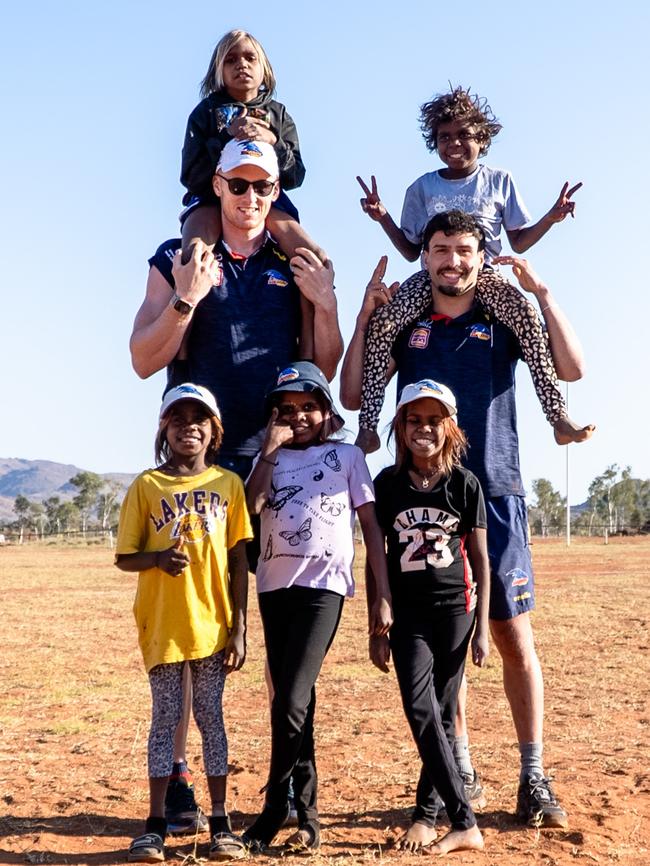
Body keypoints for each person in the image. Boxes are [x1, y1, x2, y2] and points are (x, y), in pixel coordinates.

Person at [341, 210, 584, 828]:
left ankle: (533, 775)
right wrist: (368, 316)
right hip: (423, 502)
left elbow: (570, 370)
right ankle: (462, 772)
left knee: (510, 637)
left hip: (495, 493)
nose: (453, 260)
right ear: (423, 256)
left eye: (465, 249)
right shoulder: (405, 320)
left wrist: (544, 296)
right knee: (447, 648)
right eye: (440, 249)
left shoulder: (506, 314)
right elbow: (354, 394)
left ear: (482, 254)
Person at [130, 138, 343, 833]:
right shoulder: (179, 256)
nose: (252, 199)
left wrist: (327, 306)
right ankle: (185, 791)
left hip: (278, 463)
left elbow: (324, 364)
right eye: (240, 184)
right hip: (198, 471)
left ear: (278, 192)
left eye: (265, 187)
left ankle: (288, 793)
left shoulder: (293, 258)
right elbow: (142, 357)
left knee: (281, 643)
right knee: (192, 637)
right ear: (217, 185)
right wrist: (187, 302)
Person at [355, 85, 593, 452]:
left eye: (464, 135)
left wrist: (552, 217)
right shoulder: (422, 187)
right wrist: (382, 216)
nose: (454, 143)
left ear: (483, 139)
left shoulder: (499, 181)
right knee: (384, 324)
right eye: (444, 136)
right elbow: (408, 249)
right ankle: (368, 425)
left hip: (484, 273)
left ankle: (558, 417)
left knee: (528, 319)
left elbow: (519, 241)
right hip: (431, 275)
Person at [242, 362, 393, 852]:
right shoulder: (267, 460)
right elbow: (251, 507)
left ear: (327, 412)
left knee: (288, 700)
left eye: (309, 407)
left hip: (322, 588)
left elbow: (371, 529)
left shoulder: (347, 457)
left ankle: (273, 809)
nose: (299, 416)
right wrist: (267, 450)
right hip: (272, 587)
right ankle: (308, 817)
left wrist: (382, 596)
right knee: (294, 701)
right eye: (287, 410)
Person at [115, 383, 252, 862]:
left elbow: (238, 560)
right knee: (166, 720)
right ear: (163, 429)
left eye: (198, 419)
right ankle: (154, 825)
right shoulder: (147, 487)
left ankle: (220, 823)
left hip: (213, 625)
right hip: (164, 624)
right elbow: (124, 558)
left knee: (211, 718)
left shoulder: (228, 485)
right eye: (177, 419)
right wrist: (155, 558)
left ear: (214, 430)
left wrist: (239, 626)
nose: (188, 426)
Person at [368, 379, 489, 854]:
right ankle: (464, 819)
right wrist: (376, 621)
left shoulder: (465, 483)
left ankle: (428, 815)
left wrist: (480, 628)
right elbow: (375, 556)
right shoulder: (387, 484)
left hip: (455, 613)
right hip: (407, 615)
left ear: (450, 428)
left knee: (438, 711)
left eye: (433, 420)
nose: (423, 428)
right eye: (414, 420)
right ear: (400, 427)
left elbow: (481, 561)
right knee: (421, 710)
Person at [180, 29, 325, 355]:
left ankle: (308, 353)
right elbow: (191, 175)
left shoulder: (279, 114)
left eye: (249, 58)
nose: (240, 65)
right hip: (211, 198)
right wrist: (225, 140)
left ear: (265, 68)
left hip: (268, 199)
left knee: (312, 260)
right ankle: (182, 354)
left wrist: (272, 140)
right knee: (192, 255)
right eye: (230, 59)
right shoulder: (205, 114)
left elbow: (296, 174)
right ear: (217, 70)